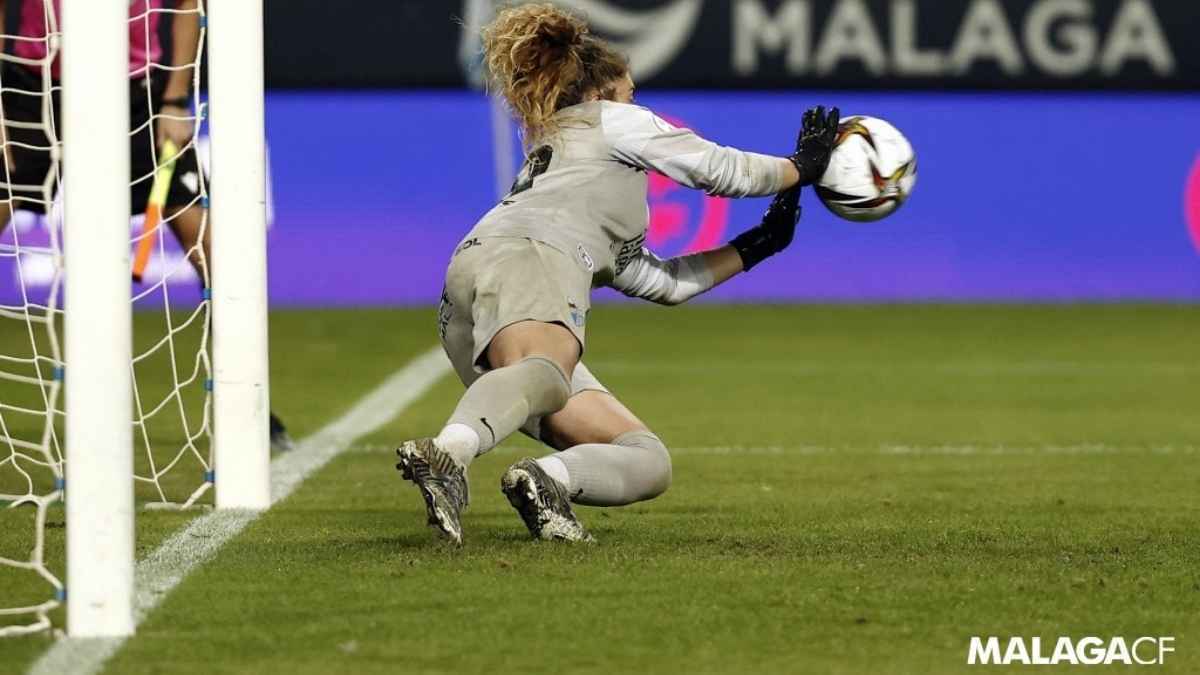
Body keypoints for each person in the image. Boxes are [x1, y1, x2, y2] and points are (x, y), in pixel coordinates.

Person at [395, 3, 839, 544]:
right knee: (548, 371)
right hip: (533, 261)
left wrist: (756, 246)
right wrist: (802, 167)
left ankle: (547, 482)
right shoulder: (610, 120)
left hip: (476, 286)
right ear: (599, 94)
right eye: (630, 94)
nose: (637, 105)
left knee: (646, 458)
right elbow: (721, 169)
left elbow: (664, 283)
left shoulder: (570, 169)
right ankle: (449, 457)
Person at [0, 0, 293, 452]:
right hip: (33, 89)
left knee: (220, 254)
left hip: (139, 95)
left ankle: (247, 404)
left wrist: (175, 100)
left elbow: (186, 4)